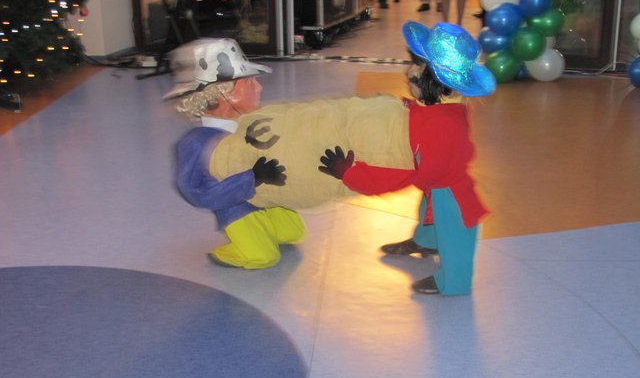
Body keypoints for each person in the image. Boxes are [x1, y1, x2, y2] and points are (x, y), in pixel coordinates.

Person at [318, 21, 496, 295]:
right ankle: (427, 240)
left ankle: (454, 282)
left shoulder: (440, 126)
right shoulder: (446, 110)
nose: (409, 72)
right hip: (438, 184)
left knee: (455, 231)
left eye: (418, 67)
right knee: (430, 207)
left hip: (452, 194)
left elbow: (405, 172)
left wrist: (351, 174)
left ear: (440, 82)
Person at [169, 38, 306, 269]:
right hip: (236, 208)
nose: (259, 88)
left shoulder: (249, 127)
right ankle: (228, 252)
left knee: (293, 232)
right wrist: (252, 179)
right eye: (250, 83)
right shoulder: (196, 143)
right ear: (226, 94)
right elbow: (197, 193)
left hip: (264, 200)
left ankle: (259, 232)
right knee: (263, 257)